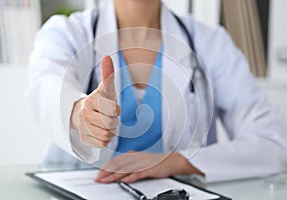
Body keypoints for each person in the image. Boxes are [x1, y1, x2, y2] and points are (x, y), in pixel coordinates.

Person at [26, 0, 287, 183]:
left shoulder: (211, 44)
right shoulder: (67, 32)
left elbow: (272, 142)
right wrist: (79, 112)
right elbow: (45, 84)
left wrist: (179, 161)